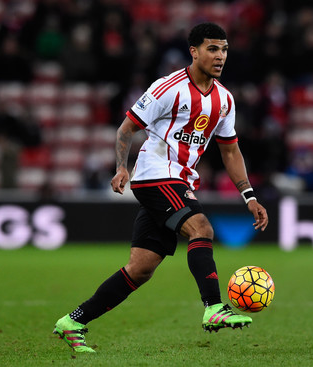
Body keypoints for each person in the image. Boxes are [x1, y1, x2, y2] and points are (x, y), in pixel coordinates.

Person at [53, 22, 269, 353]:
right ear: (194, 52)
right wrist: (121, 166)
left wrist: (249, 195)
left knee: (140, 268)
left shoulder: (224, 100)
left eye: (224, 49)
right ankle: (213, 307)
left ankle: (74, 321)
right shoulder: (167, 88)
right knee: (202, 228)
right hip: (156, 175)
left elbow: (230, 150)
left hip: (179, 179)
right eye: (213, 49)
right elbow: (126, 129)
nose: (220, 56)